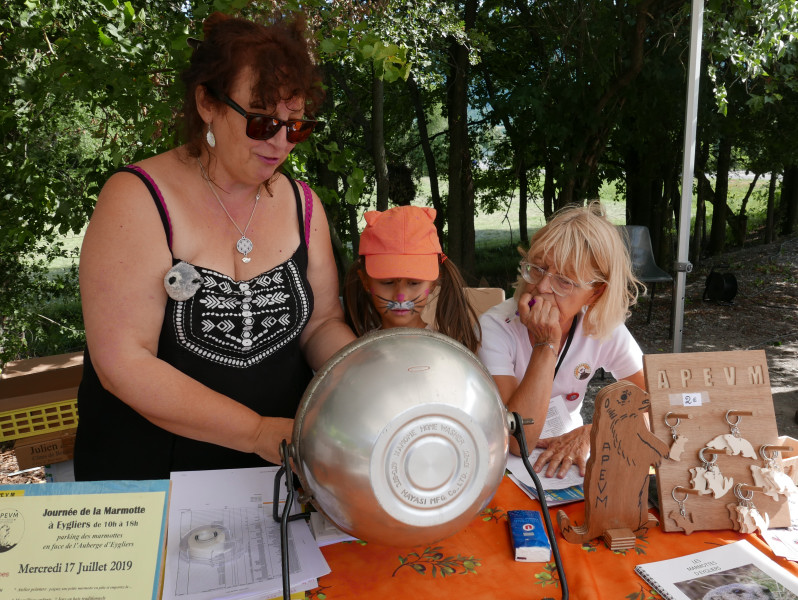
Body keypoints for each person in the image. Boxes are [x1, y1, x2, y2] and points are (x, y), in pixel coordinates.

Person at [73, 12, 355, 480]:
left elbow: (322, 323)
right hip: (152, 474)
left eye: (297, 126)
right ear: (207, 102)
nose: (282, 143)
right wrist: (257, 431)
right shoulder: (136, 197)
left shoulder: (303, 204)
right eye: (263, 122)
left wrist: (363, 377)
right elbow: (123, 361)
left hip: (277, 471)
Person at [477, 202, 645, 478]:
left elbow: (653, 402)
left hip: (570, 457)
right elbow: (519, 440)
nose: (541, 287)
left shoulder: (601, 325)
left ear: (596, 293)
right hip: (503, 465)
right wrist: (546, 344)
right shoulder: (495, 327)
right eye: (537, 269)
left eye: (564, 281)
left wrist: (595, 431)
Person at [342, 205, 481, 353]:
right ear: (365, 281)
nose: (401, 296)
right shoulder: (359, 354)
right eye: (387, 282)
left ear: (434, 281)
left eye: (414, 283)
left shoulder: (445, 353)